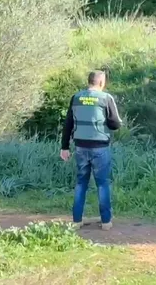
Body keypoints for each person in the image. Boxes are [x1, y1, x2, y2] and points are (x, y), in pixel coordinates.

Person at [60, 70, 122, 230]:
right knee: (102, 184)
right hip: (100, 147)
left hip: (80, 146)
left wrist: (64, 147)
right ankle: (106, 222)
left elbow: (68, 124)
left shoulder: (76, 98)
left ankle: (76, 220)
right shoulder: (106, 98)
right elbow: (115, 124)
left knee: (81, 183)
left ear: (89, 81)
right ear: (101, 82)